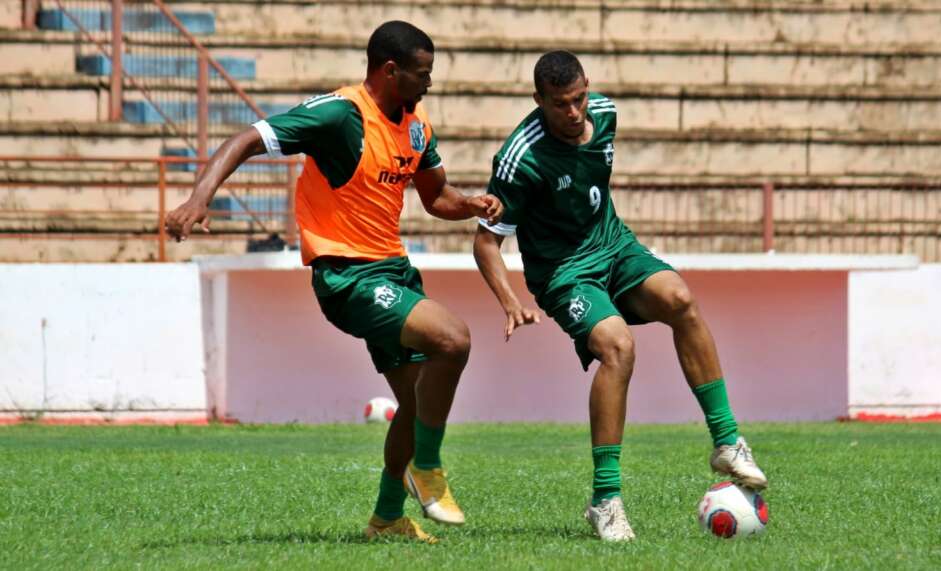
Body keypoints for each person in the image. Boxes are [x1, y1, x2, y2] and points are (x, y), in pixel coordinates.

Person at [165, 21, 503, 544]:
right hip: (347, 276)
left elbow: (436, 198)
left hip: (393, 270)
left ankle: (387, 518)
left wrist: (474, 203)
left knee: (416, 400)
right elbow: (247, 138)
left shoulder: (415, 125)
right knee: (453, 338)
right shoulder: (339, 115)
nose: (428, 83)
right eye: (422, 73)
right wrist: (198, 198)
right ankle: (428, 467)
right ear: (390, 71)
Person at [473, 51, 767, 542]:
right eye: (560, 104)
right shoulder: (520, 157)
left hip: (615, 247)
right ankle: (606, 501)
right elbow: (486, 242)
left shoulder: (605, 115)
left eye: (579, 98)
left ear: (588, 88)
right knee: (618, 347)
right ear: (538, 100)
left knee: (680, 298)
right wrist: (509, 300)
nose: (573, 113)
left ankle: (726, 441)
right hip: (565, 274)